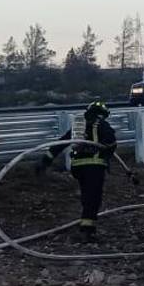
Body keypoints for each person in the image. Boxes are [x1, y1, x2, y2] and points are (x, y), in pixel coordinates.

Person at [37, 101, 117, 241]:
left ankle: (86, 226)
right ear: (102, 114)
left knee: (87, 196)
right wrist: (107, 150)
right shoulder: (102, 125)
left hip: (78, 167)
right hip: (94, 166)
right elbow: (111, 142)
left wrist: (45, 161)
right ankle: (87, 231)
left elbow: (60, 144)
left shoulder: (78, 128)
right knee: (93, 199)